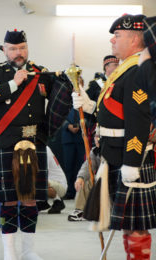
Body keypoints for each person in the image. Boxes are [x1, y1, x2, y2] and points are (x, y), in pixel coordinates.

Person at [0, 29, 72, 260]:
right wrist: (12, 83)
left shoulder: (40, 73)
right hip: (7, 143)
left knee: (30, 198)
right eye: (12, 49)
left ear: (27, 47)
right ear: (5, 50)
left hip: (34, 142)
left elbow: (60, 95)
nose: (18, 53)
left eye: (22, 48)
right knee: (9, 198)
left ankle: (29, 250)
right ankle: (9, 250)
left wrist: (74, 91)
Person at [72, 14, 156, 260]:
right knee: (128, 224)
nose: (112, 40)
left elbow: (138, 121)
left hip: (130, 157)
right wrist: (89, 106)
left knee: (136, 225)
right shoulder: (125, 69)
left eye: (117, 36)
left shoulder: (137, 70)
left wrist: (131, 162)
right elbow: (116, 110)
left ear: (134, 39)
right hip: (114, 152)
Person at [86, 55, 119, 147]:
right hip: (97, 123)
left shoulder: (119, 82)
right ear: (106, 67)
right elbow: (88, 104)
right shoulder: (95, 84)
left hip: (115, 123)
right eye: (115, 65)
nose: (118, 67)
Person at [68, 147, 100, 221]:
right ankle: (80, 210)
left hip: (112, 181)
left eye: (99, 137)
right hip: (99, 180)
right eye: (95, 136)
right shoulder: (95, 150)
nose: (97, 139)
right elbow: (87, 166)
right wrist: (80, 177)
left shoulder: (113, 148)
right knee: (83, 180)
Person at [37, 147, 67, 214]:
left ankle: (58, 201)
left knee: (36, 180)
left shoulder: (43, 148)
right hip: (51, 182)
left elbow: (43, 173)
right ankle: (40, 202)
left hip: (59, 185)